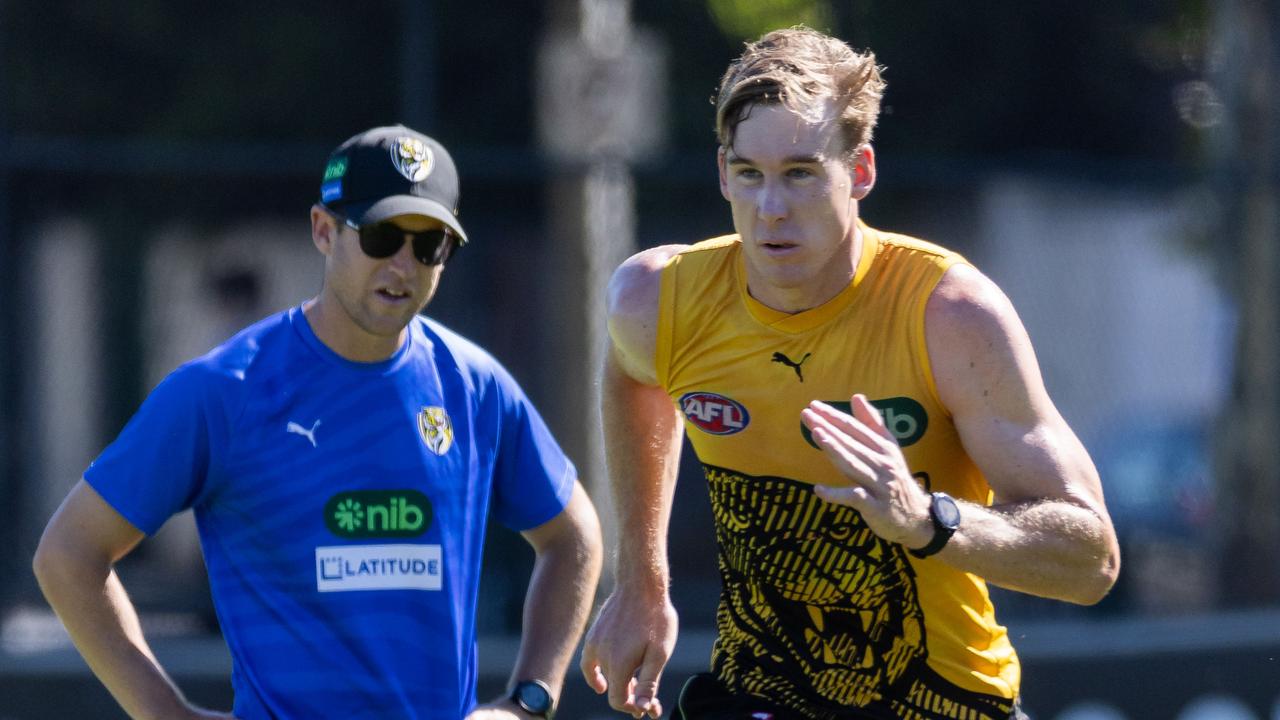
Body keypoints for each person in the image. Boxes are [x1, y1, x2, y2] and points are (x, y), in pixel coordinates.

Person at [580, 27, 1120, 720]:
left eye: (801, 173)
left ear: (859, 171)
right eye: (750, 174)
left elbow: (1090, 559)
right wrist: (640, 579)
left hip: (947, 703)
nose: (771, 209)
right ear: (722, 173)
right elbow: (632, 378)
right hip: (760, 695)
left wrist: (928, 521)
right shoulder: (658, 300)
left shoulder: (948, 315)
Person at [33, 125, 603, 720]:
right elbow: (69, 553)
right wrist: (165, 714)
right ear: (324, 231)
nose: (404, 264)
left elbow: (573, 535)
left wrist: (529, 702)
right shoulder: (225, 391)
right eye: (382, 236)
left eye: (429, 243)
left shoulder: (474, 385)